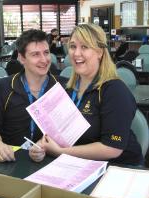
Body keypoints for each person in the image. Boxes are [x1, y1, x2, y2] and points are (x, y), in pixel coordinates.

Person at [29, 23, 143, 165]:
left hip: (119, 168)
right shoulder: (66, 90)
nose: (76, 53)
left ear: (100, 52)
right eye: (72, 46)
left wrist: (60, 152)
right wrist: (41, 146)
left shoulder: (115, 91)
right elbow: (53, 133)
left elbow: (112, 148)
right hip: (77, 165)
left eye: (84, 47)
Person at [0, 29, 58, 162]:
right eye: (35, 54)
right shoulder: (3, 87)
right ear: (22, 58)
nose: (44, 60)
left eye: (46, 52)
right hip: (12, 160)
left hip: (53, 159)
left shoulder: (62, 88)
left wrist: (44, 145)